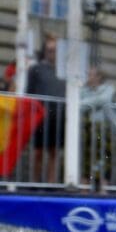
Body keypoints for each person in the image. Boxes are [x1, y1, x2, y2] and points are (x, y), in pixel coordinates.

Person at [80, 67, 116, 193]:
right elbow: (79, 105)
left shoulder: (109, 88)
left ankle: (103, 189)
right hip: (88, 128)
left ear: (98, 77)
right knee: (87, 158)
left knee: (105, 158)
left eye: (91, 74)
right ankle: (84, 189)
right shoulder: (84, 90)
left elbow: (105, 99)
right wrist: (96, 102)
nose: (88, 77)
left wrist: (89, 103)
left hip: (104, 128)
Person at [27, 33, 65, 184]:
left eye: (55, 50)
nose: (53, 53)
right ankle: (35, 182)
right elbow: (29, 91)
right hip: (40, 116)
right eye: (50, 50)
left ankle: (51, 183)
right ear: (44, 51)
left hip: (59, 116)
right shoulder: (36, 69)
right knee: (38, 151)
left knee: (54, 152)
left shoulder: (63, 71)